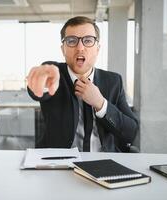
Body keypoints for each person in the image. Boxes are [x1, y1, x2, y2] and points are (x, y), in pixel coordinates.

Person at [27, 16, 138, 152]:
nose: (80, 47)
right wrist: (41, 81)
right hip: (59, 163)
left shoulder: (114, 81)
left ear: (97, 48)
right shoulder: (53, 74)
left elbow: (130, 132)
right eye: (72, 41)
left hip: (103, 162)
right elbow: (38, 90)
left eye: (88, 41)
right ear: (63, 49)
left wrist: (101, 104)